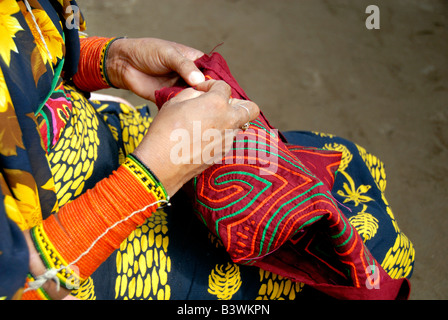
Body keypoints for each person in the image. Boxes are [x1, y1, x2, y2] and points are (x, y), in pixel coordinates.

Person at [0, 0, 414, 300]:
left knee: (341, 167)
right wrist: (153, 176)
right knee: (356, 261)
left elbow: (22, 37)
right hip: (74, 252)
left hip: (101, 142)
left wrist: (102, 59)